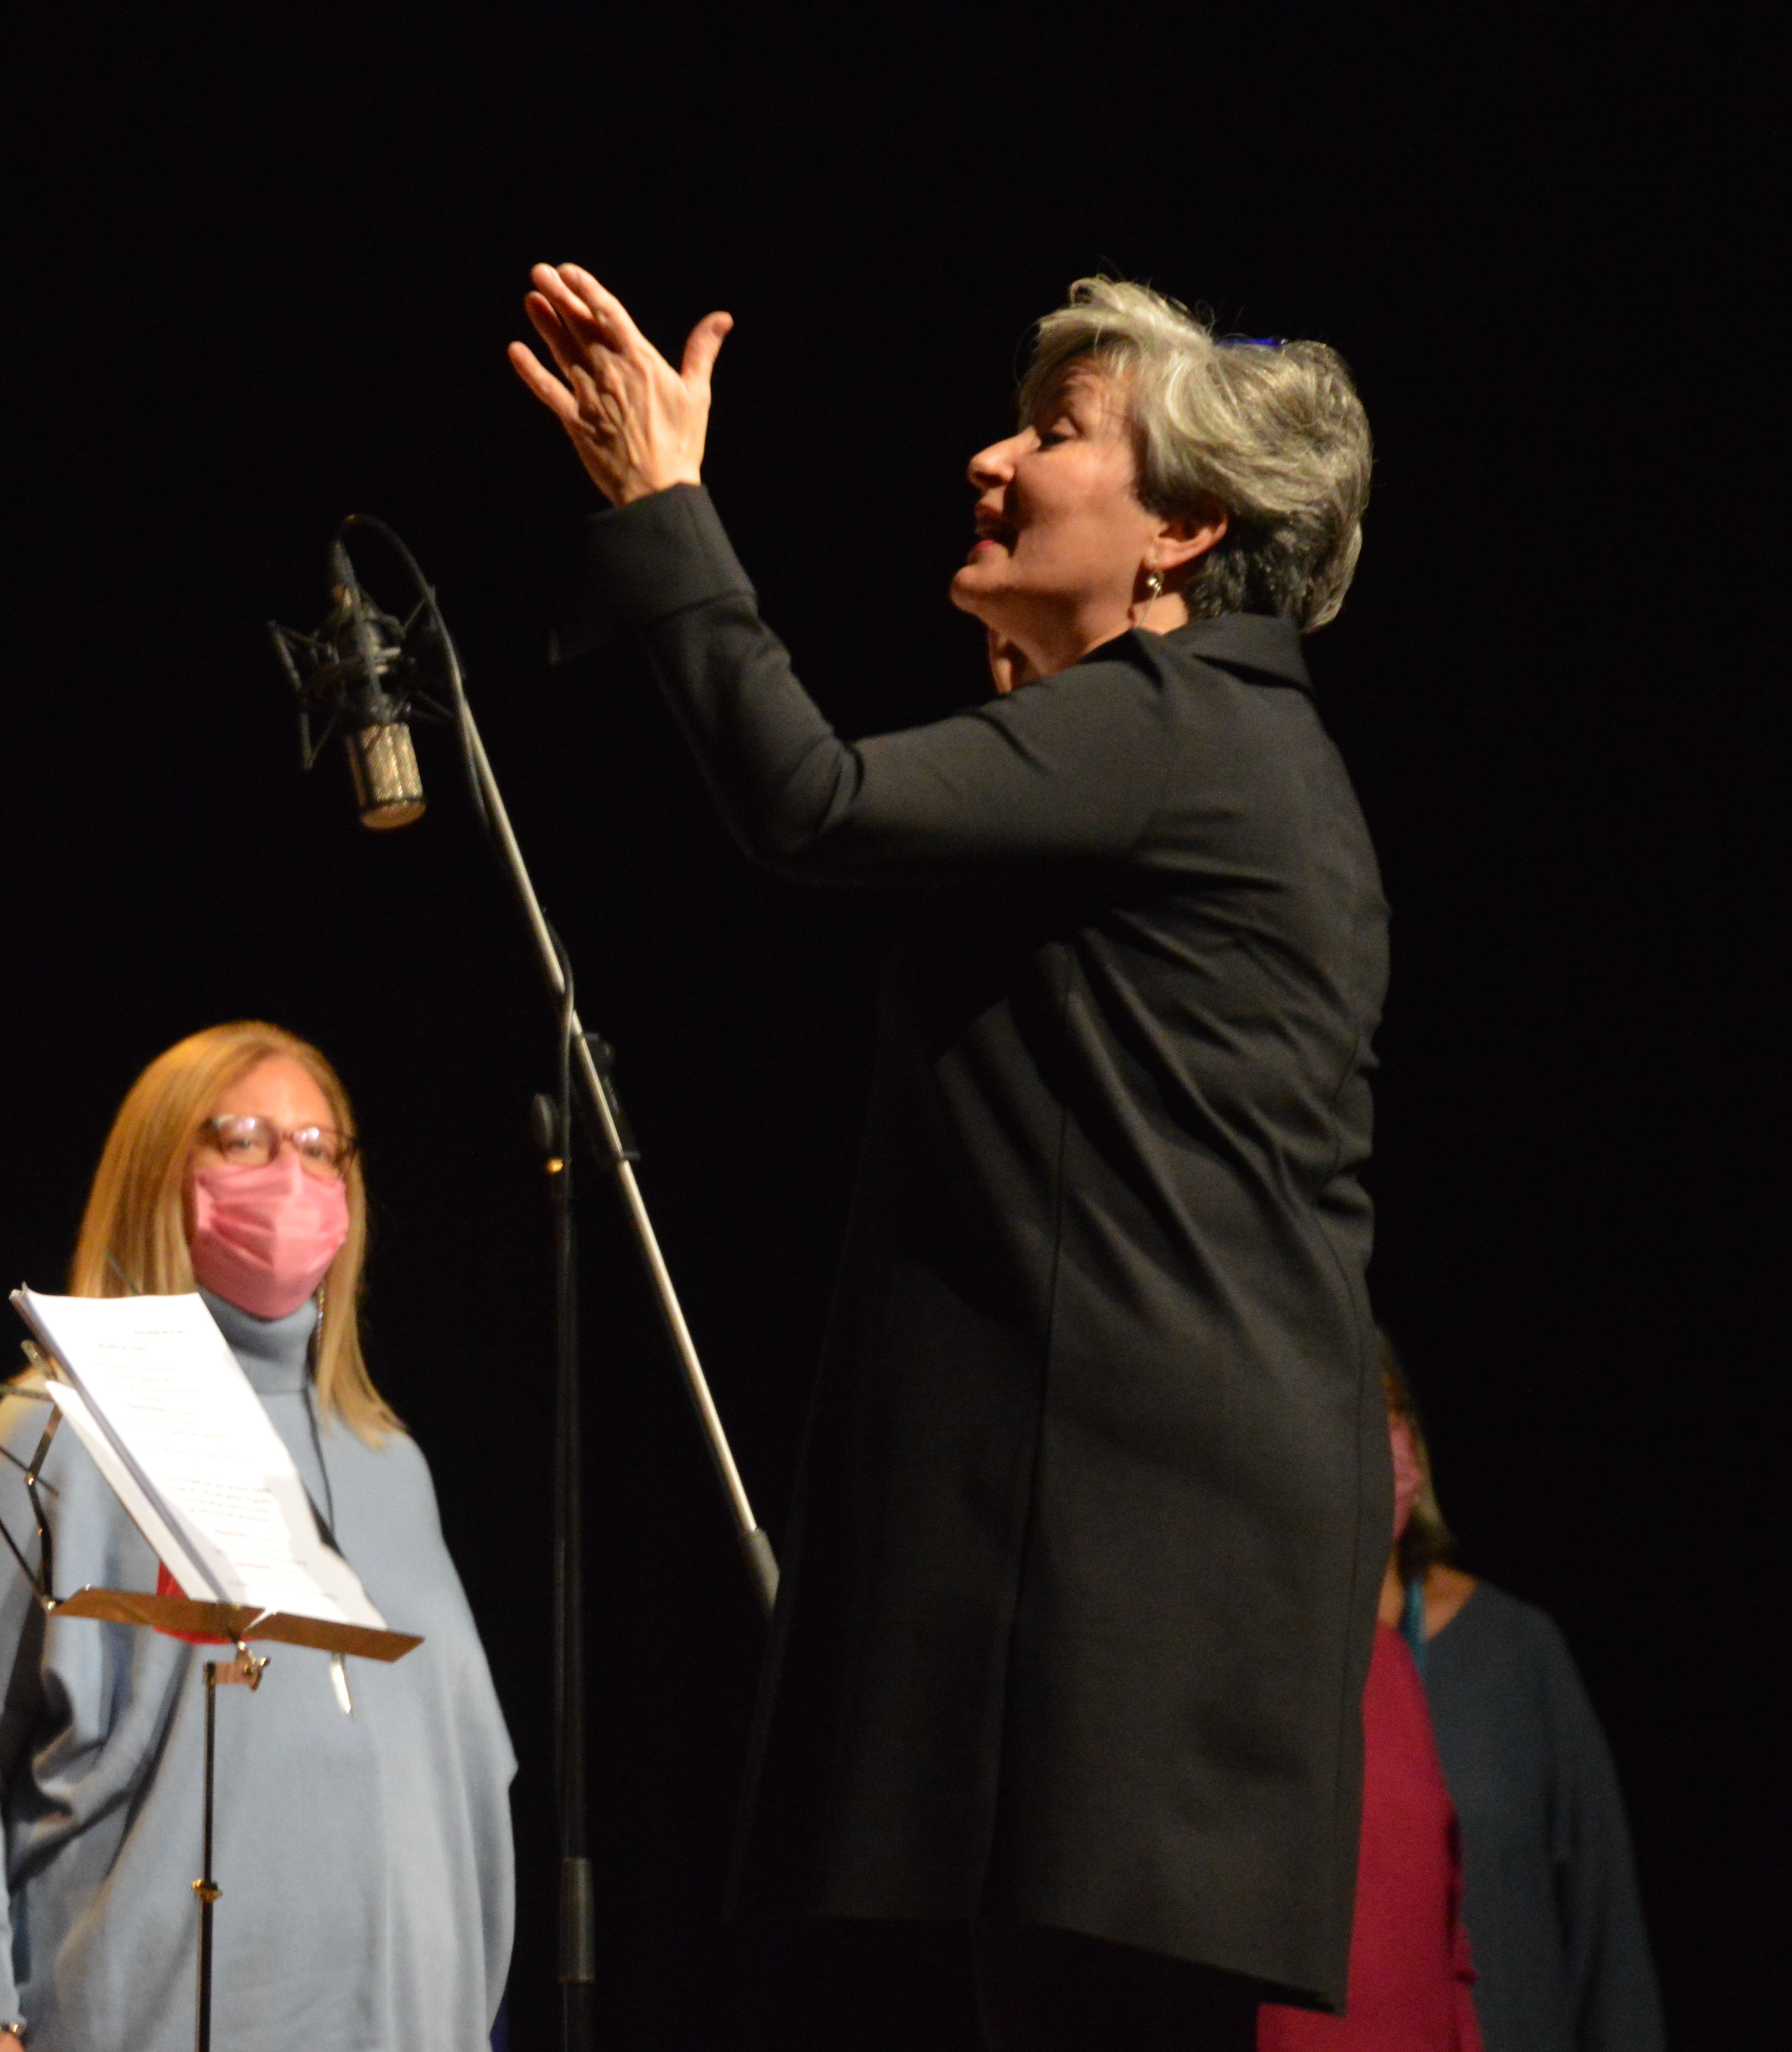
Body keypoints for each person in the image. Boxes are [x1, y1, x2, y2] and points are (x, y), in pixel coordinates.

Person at [511, 265, 1385, 2049]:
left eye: (1057, 436)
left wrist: (667, 515)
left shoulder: (1172, 729)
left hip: (1126, 1567)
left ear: (1183, 531)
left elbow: (809, 803)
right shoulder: (1223, 750)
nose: (987, 461)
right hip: (1172, 1540)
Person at [0, 1020, 516, 2052]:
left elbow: (463, 1787)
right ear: (158, 1170)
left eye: (321, 1148)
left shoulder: (386, 1461)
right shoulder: (61, 1424)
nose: (291, 1175)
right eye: (244, 1140)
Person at [1384, 1348, 1663, 2052]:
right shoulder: (1280, 1668)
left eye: (1387, 1417)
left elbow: (1608, 1946)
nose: (1376, 1446)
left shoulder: (1513, 1650)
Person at [1257, 1352, 1487, 2050]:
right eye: (1367, 1418)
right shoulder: (1250, 1648)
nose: (1398, 1448)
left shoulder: (1387, 1659)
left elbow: (1445, 1946)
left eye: (1399, 1419)